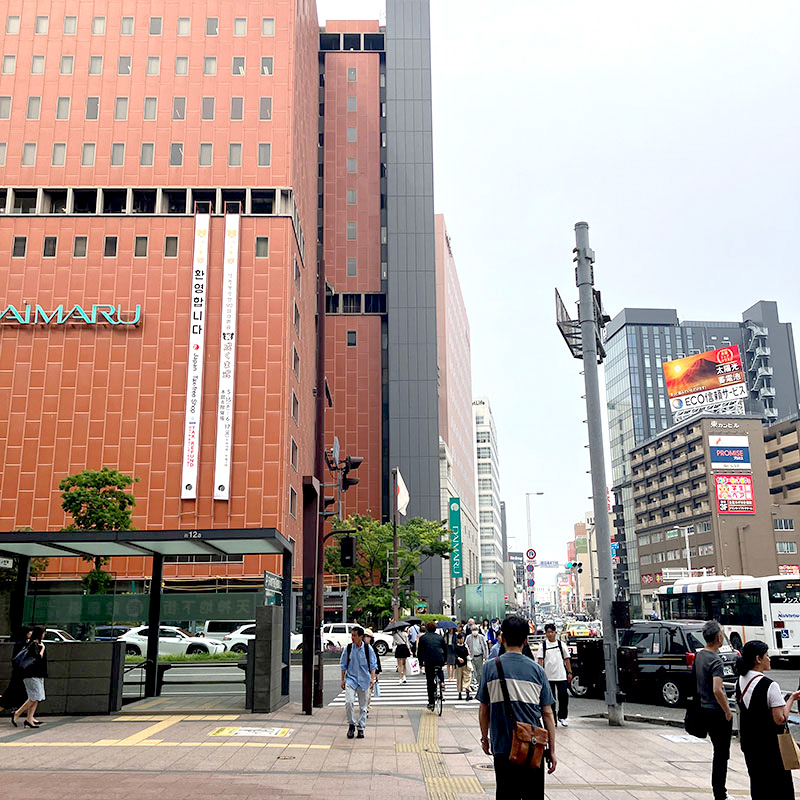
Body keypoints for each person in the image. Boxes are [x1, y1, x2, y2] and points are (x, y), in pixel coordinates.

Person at [478, 616, 557, 799]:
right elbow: (547, 714)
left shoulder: (490, 668)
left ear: (503, 638)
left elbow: (484, 709)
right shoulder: (537, 671)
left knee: (506, 794)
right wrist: (551, 750)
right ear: (526, 640)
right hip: (532, 746)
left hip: (503, 746)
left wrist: (484, 738)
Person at [736, 640, 800, 799]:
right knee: (779, 787)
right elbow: (780, 718)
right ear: (758, 659)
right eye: (766, 655)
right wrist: (791, 699)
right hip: (770, 746)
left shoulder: (740, 681)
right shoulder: (770, 685)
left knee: (758, 784)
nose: (769, 659)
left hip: (750, 743)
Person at [695, 620, 733, 800]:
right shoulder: (716, 660)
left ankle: (719, 791)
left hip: (703, 708)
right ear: (719, 637)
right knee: (721, 754)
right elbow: (717, 689)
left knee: (718, 752)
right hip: (716, 711)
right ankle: (720, 793)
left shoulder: (699, 655)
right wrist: (727, 710)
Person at [339, 626, 377, 739]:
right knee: (349, 702)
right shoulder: (349, 648)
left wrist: (372, 678)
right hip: (351, 679)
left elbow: (373, 665)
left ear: (361, 637)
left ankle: (361, 728)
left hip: (364, 680)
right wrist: (342, 679)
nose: (352, 638)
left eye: (355, 636)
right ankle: (351, 724)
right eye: (352, 635)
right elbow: (343, 664)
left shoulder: (367, 649)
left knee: (363, 707)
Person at [537, 623, 572, 727]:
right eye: (548, 632)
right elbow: (540, 661)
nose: (550, 634)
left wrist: (569, 672)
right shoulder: (543, 646)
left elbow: (567, 659)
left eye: (552, 632)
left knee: (563, 696)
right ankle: (552, 719)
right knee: (550, 699)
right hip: (548, 677)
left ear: (555, 633)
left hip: (561, 675)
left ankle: (562, 717)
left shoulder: (561, 645)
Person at [12, 626, 47, 729]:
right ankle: (17, 713)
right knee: (34, 697)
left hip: (37, 674)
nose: (44, 635)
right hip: (31, 674)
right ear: (39, 634)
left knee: (37, 697)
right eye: (43, 633)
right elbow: (37, 659)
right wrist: (43, 649)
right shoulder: (34, 644)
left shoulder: (35, 643)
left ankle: (29, 719)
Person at [416, 621, 448, 710]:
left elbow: (419, 652)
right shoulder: (440, 638)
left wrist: (420, 663)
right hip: (439, 659)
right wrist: (445, 660)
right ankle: (442, 682)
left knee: (430, 681)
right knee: (439, 669)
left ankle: (431, 702)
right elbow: (445, 650)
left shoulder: (423, 638)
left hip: (429, 661)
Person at [0, 626, 31, 715]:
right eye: (29, 632)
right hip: (19, 675)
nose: (31, 634)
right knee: (8, 698)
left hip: (19, 675)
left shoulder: (22, 643)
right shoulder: (21, 644)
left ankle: (29, 718)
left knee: (29, 697)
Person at [362, 629, 382, 714]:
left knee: (369, 691)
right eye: (365, 636)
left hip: (371, 672)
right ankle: (364, 705)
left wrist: (377, 673)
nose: (366, 638)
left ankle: (366, 705)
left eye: (368, 636)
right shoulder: (359, 647)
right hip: (362, 672)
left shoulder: (372, 648)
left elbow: (376, 661)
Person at [467, 624, 489, 692]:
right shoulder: (469, 638)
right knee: (473, 671)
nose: (474, 631)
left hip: (480, 656)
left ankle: (479, 684)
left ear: (478, 630)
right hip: (472, 657)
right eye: (473, 630)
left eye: (475, 630)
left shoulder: (481, 637)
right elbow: (466, 646)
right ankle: (474, 683)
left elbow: (485, 647)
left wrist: (485, 656)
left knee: (480, 672)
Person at [453, 634, 472, 701]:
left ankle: (467, 694)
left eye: (462, 638)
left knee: (467, 679)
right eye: (460, 639)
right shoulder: (455, 647)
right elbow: (455, 654)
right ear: (458, 639)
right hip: (458, 665)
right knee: (459, 680)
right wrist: (458, 658)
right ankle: (460, 694)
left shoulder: (465, 646)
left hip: (466, 664)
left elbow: (468, 653)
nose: (461, 640)